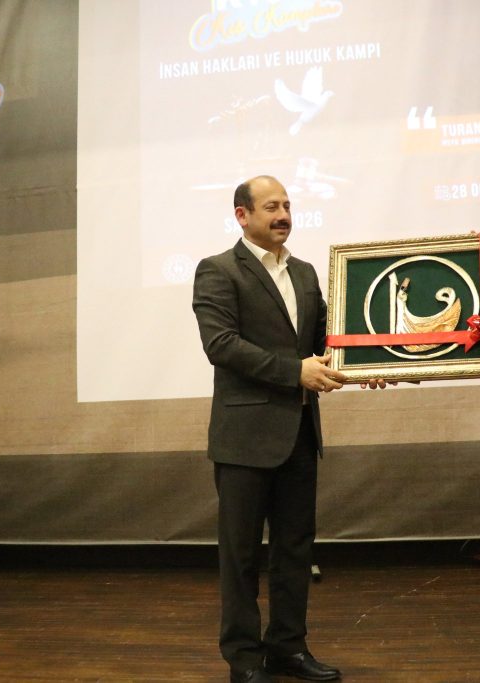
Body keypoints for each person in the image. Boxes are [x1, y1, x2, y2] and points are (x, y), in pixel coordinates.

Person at [192, 175, 354, 683]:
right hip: (243, 440)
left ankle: (288, 647)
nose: (283, 215)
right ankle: (244, 659)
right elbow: (221, 345)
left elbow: (328, 340)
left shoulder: (304, 272)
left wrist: (369, 363)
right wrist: (294, 372)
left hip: (300, 434)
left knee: (294, 550)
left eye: (286, 205)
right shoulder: (218, 270)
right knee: (240, 555)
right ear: (242, 215)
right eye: (270, 207)